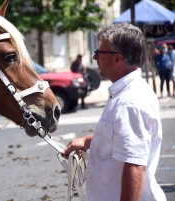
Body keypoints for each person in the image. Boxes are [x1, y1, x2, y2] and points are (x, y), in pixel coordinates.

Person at [62, 23, 166, 201]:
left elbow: (135, 165)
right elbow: (120, 139)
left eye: (98, 52)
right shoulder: (125, 93)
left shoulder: (130, 102)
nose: (95, 58)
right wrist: (87, 142)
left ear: (117, 59)